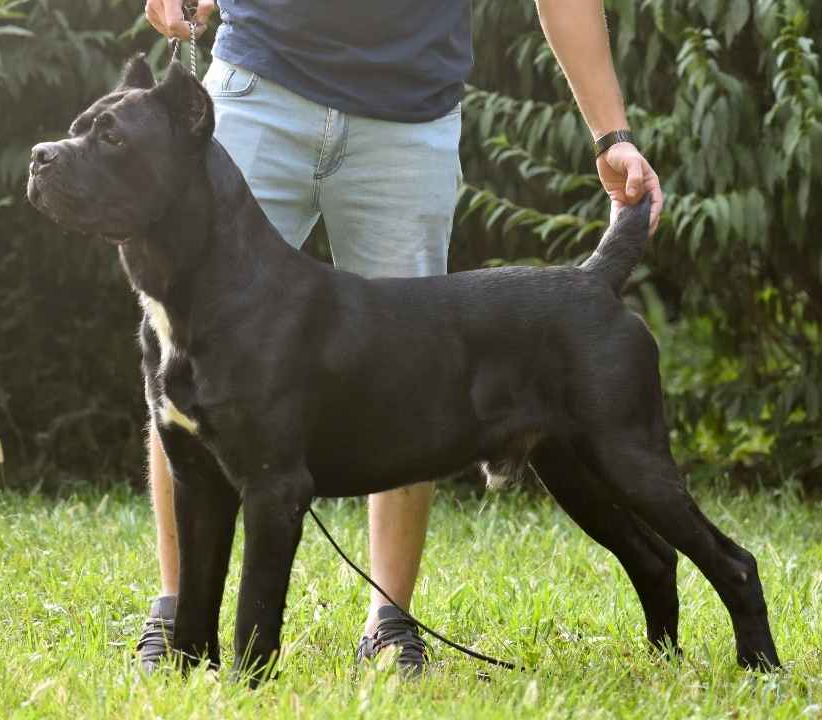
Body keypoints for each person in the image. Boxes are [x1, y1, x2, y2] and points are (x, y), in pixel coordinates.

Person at [136, 0, 664, 675]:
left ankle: (390, 622)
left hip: (408, 118)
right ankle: (178, 614)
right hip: (256, 87)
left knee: (413, 369)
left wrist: (609, 133)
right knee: (187, 356)